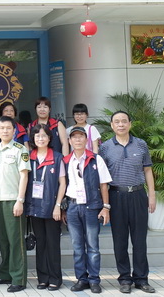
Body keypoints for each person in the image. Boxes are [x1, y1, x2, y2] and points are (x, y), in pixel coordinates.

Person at [99, 111, 157, 294]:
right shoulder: (105, 147)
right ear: (112, 125)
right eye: (117, 122)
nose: (121, 124)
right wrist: (104, 204)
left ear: (130, 124)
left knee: (140, 240)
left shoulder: (141, 144)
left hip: (138, 195)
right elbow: (102, 179)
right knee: (120, 240)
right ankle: (124, 278)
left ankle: (141, 278)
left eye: (124, 121)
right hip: (116, 197)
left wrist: (152, 195)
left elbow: (147, 170)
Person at [64, 126, 112, 294]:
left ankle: (94, 279)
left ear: (86, 140)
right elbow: (62, 185)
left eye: (81, 136)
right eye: (74, 137)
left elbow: (104, 184)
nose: (77, 140)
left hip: (91, 207)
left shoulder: (95, 159)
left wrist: (105, 207)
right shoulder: (66, 161)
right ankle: (81, 279)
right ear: (69, 141)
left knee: (92, 246)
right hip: (72, 206)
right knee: (77, 246)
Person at [0, 116, 30, 293]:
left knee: (16, 241)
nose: (5, 131)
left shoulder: (20, 150)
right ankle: (5, 274)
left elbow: (24, 176)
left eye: (8, 128)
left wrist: (20, 200)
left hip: (14, 200)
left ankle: (18, 278)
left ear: (14, 131)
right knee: (4, 241)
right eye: (1, 128)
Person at [25, 124, 67, 291]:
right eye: (37, 136)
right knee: (40, 243)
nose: (40, 138)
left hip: (51, 208)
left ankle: (55, 278)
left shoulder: (57, 158)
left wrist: (58, 206)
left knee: (53, 243)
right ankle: (42, 278)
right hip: (34, 207)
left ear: (50, 138)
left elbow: (62, 183)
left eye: (43, 136)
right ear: (33, 140)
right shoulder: (28, 157)